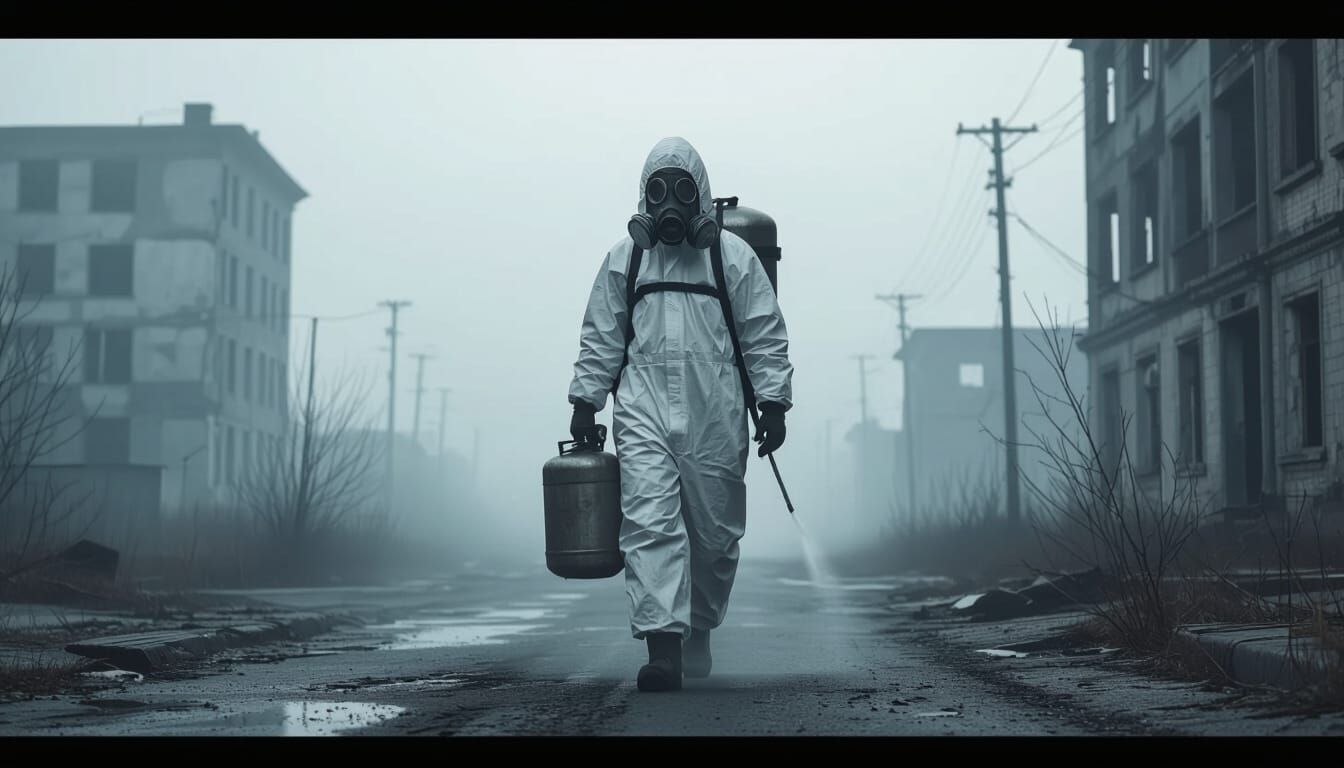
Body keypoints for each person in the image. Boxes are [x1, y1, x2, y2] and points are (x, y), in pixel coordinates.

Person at [567, 137, 793, 692]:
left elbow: (763, 332)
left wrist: (773, 401)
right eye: (658, 191)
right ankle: (663, 650)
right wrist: (584, 401)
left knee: (713, 537)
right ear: (644, 198)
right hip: (643, 411)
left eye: (683, 190)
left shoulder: (732, 258)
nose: (671, 203)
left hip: (715, 414)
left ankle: (699, 629)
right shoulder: (627, 258)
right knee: (649, 526)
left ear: (702, 198)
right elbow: (601, 334)